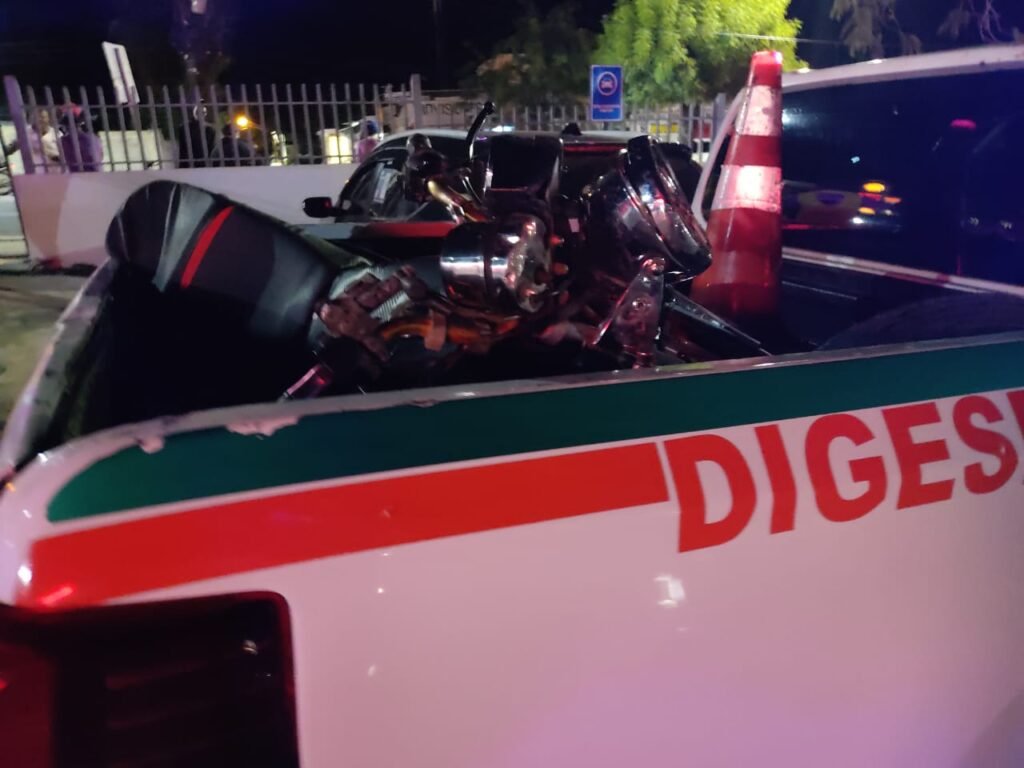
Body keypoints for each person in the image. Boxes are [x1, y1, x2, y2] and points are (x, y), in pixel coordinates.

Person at [59, 105, 104, 172]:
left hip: (78, 174)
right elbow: (100, 156)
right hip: (96, 173)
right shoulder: (94, 138)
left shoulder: (64, 141)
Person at [177, 103, 217, 168]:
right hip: (192, 163)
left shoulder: (210, 130)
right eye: (198, 112)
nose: (201, 114)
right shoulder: (184, 128)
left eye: (203, 113)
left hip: (196, 163)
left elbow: (211, 149)